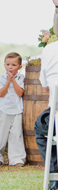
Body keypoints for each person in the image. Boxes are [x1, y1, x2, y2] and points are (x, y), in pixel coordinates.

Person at [0, 52, 26, 167]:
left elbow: (20, 93)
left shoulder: (21, 78)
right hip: (4, 110)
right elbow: (1, 93)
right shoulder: (1, 79)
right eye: (8, 64)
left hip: (17, 110)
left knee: (16, 134)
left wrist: (13, 80)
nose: (10, 67)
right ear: (4, 65)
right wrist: (8, 80)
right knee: (1, 134)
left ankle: (17, 158)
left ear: (20, 67)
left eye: (14, 65)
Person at [34, 40, 58, 190]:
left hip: (56, 112)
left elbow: (46, 87)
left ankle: (55, 176)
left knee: (41, 128)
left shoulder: (50, 49)